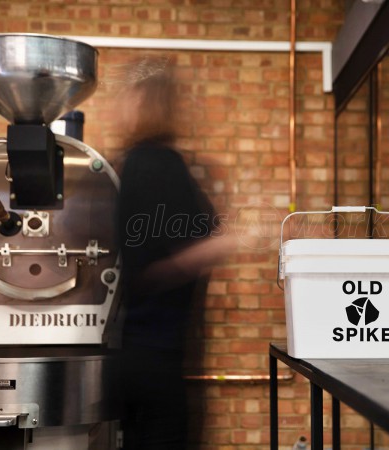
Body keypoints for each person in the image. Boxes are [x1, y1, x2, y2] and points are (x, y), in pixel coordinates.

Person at [115, 60, 234, 450]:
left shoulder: (135, 164)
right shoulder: (158, 165)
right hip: (155, 358)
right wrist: (227, 243)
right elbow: (152, 269)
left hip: (140, 358)